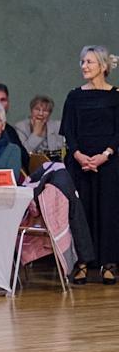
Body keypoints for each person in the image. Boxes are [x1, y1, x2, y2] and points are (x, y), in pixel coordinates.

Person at [60, 45, 119, 285]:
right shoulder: (74, 96)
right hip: (80, 163)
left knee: (109, 211)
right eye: (83, 61)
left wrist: (106, 154)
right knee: (80, 212)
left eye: (89, 62)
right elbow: (69, 132)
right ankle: (82, 262)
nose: (84, 66)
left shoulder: (116, 95)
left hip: (110, 163)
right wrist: (79, 155)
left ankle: (108, 263)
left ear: (103, 67)